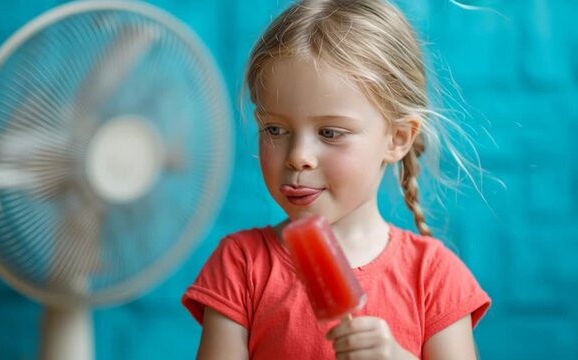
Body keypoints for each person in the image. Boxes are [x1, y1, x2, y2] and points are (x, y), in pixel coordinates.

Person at [182, 0, 491, 358]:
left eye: (329, 132)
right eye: (275, 128)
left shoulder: (435, 276)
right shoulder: (241, 264)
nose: (298, 155)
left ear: (397, 139)